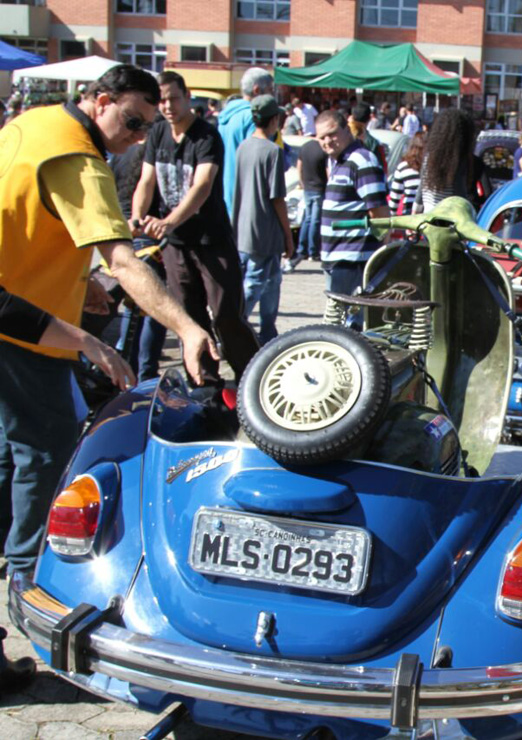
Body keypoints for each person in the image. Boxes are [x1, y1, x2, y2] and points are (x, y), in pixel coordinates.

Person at [0, 66, 218, 679]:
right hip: (16, 336)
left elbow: (28, 228)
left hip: (17, 318)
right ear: (99, 101)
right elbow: (122, 259)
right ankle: (33, 590)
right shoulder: (80, 160)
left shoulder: (32, 124)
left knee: (9, 460)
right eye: (130, 122)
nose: (136, 137)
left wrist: (79, 288)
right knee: (45, 456)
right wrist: (184, 327)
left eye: (149, 127)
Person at [133, 71, 260, 385]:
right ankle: (204, 383)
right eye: (161, 100)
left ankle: (251, 378)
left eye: (173, 98)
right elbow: (146, 181)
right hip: (175, 245)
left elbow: (202, 185)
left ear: (187, 97)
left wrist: (168, 221)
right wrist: (137, 217)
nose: (167, 105)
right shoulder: (158, 132)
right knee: (188, 317)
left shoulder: (206, 135)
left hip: (212, 240)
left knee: (226, 314)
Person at [234, 95, 294, 344]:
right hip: (265, 230)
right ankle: (234, 323)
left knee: (271, 280)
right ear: (275, 120)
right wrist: (288, 236)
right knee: (257, 281)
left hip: (242, 226)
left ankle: (268, 330)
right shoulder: (273, 152)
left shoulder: (244, 146)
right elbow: (277, 198)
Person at [110, 137, 168, 381]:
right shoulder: (150, 155)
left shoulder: (119, 153)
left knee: (131, 307)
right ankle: (146, 373)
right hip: (148, 236)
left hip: (123, 236)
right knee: (155, 308)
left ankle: (128, 368)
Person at [317, 109, 389, 302]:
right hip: (340, 259)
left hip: (354, 259)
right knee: (340, 323)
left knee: (347, 326)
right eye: (322, 137)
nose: (327, 141)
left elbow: (380, 214)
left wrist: (380, 255)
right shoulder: (340, 162)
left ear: (346, 130)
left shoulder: (362, 160)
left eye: (332, 134)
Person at [217, 67, 273, 214]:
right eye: (270, 90)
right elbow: (256, 157)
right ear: (257, 90)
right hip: (246, 197)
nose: (272, 95)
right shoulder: (252, 116)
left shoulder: (226, 116)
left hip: (225, 192)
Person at [420, 109, 481, 211]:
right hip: (447, 217)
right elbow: (459, 195)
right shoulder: (457, 161)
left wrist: (416, 210)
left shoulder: (429, 156)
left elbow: (422, 185)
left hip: (428, 215)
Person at [295, 135, 327, 264]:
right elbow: (327, 170)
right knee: (315, 220)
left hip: (307, 188)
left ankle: (302, 249)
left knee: (307, 219)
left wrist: (301, 182)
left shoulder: (305, 146)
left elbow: (299, 165)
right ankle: (313, 251)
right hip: (319, 188)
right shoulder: (323, 149)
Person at [386, 131, 424, 215]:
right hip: (428, 214)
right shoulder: (431, 168)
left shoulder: (403, 167)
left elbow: (395, 198)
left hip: (408, 214)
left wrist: (391, 220)